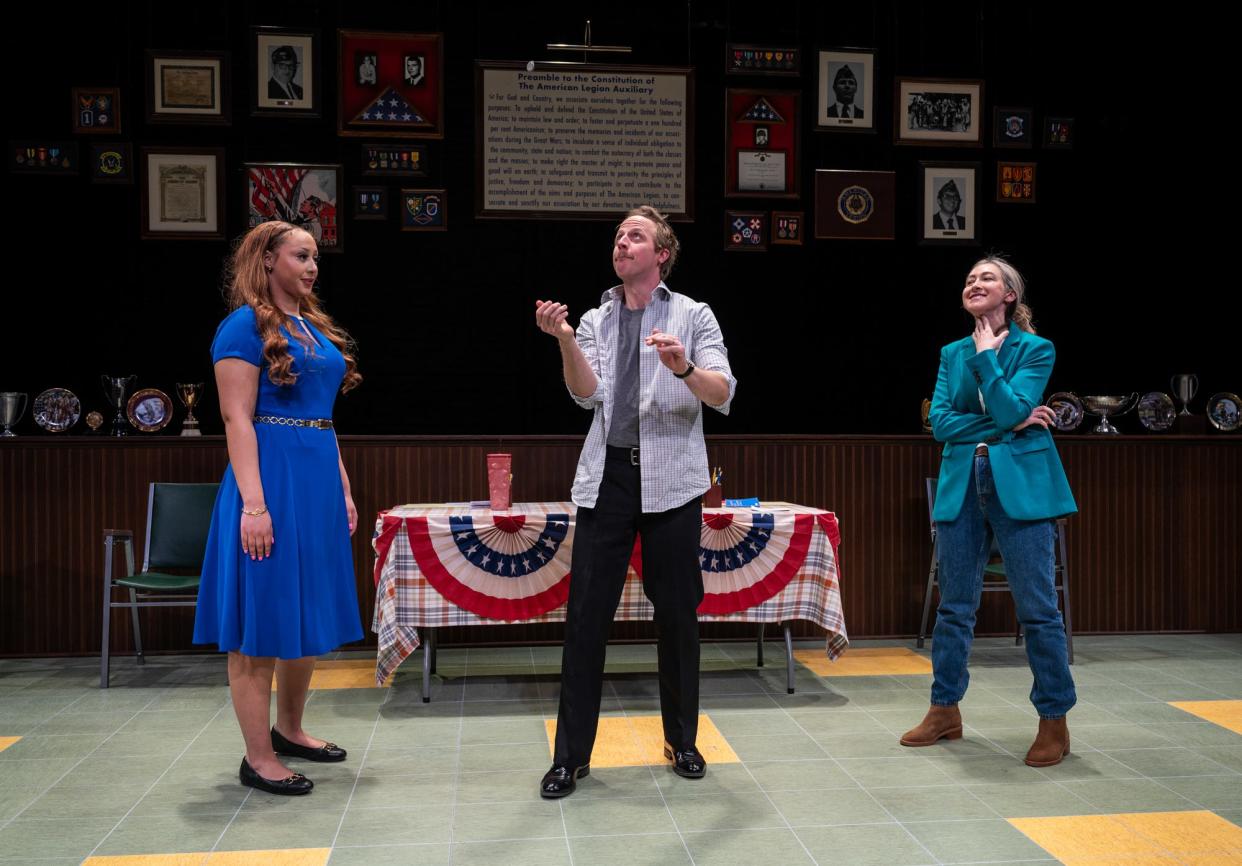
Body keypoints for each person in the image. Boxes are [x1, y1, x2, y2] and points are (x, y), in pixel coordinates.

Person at [533, 205, 736, 798]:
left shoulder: (693, 314)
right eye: (619, 235)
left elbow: (723, 392)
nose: (622, 242)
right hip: (608, 480)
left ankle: (683, 741)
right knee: (586, 617)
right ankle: (570, 757)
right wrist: (567, 340)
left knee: (677, 615)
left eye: (636, 235)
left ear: (661, 254)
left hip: (672, 482)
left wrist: (684, 367)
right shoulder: (596, 318)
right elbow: (586, 393)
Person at [194, 220, 364, 795]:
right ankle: (258, 756)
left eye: (315, 257)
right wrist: (254, 505)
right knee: (260, 620)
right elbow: (237, 418)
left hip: (314, 479)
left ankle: (290, 729)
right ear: (268, 259)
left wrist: (341, 487)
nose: (312, 266)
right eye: (300, 255)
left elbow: (324, 417)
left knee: (305, 611)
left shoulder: (310, 326)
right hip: (270, 481)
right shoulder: (243, 326)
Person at [902, 256, 1077, 768]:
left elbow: (1005, 405)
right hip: (963, 483)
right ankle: (944, 709)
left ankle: (1054, 720)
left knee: (1038, 609)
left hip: (1020, 487)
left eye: (986, 278)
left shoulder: (1035, 349)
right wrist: (1014, 423)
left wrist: (987, 362)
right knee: (955, 606)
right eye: (969, 278)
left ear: (1009, 296)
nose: (974, 283)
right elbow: (940, 423)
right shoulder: (950, 352)